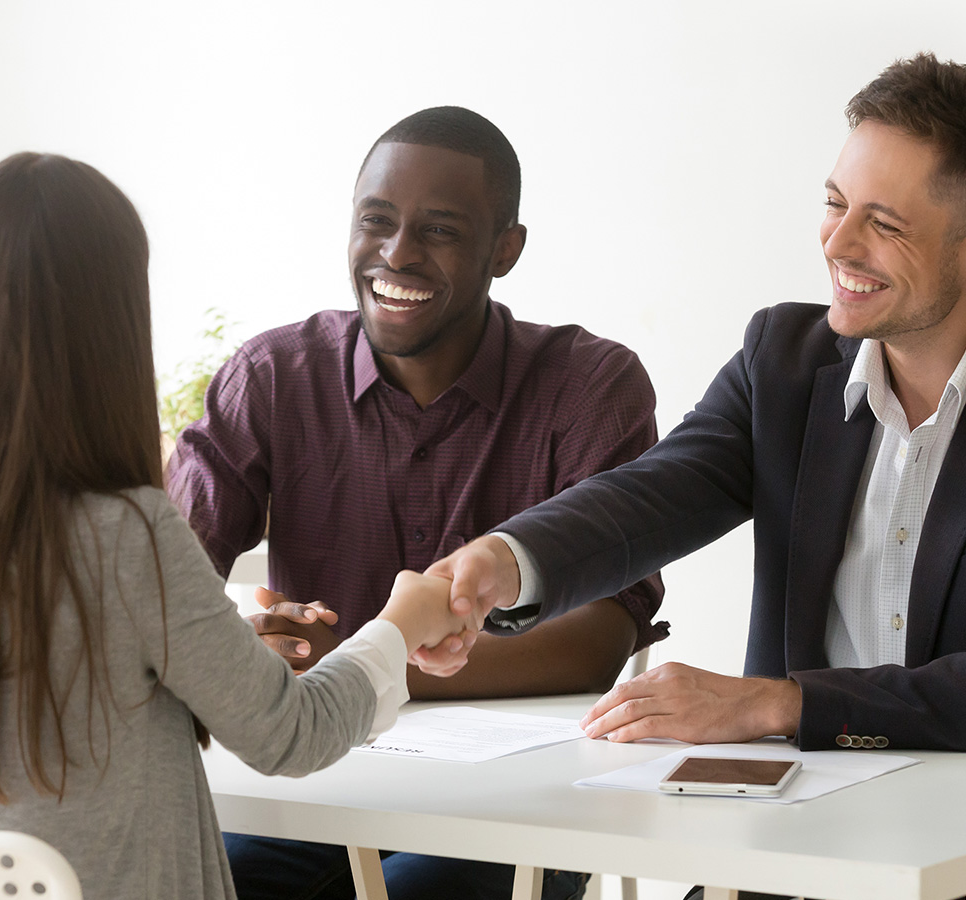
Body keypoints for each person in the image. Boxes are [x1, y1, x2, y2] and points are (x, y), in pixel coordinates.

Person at [425, 54, 966, 900]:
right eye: (834, 203)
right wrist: (505, 561)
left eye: (884, 224)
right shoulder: (782, 362)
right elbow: (655, 494)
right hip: (796, 851)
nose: (838, 243)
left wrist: (777, 704)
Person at [0, 152, 472, 900]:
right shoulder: (127, 536)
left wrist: (212, 650)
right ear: (110, 328)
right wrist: (401, 624)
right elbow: (293, 734)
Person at [166, 106, 665, 899]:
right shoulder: (273, 376)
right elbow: (162, 587)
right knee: (200, 879)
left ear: (505, 250)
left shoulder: (590, 387)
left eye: (439, 230)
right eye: (376, 221)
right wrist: (253, 648)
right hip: (313, 786)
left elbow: (599, 637)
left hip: (514, 805)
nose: (397, 253)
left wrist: (355, 663)